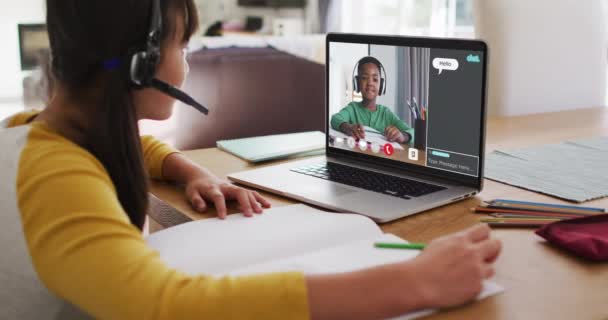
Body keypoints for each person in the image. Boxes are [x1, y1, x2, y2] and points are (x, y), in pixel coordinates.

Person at [0, 1, 501, 319]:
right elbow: (163, 307)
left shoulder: (36, 132)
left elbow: (128, 145)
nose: (189, 60)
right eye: (184, 44)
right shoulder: (58, 177)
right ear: (142, 63)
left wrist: (186, 167)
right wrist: (414, 282)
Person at [331, 56, 414, 144]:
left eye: (375, 79)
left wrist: (403, 136)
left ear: (381, 85)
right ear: (357, 83)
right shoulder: (352, 108)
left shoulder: (386, 113)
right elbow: (335, 119)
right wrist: (348, 127)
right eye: (364, 78)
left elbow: (412, 131)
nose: (370, 83)